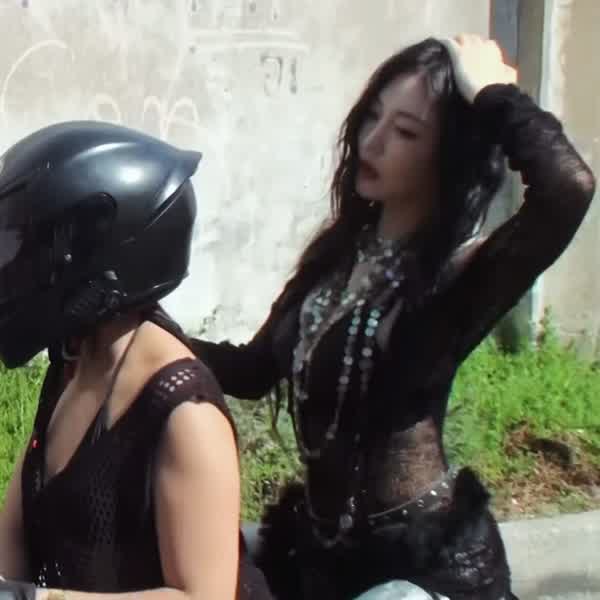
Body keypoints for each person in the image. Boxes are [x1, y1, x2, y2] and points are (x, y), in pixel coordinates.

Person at [191, 34, 596, 600]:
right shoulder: (336, 258)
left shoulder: (455, 277)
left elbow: (567, 188)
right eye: (372, 117)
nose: (373, 141)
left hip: (421, 570)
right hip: (318, 558)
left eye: (405, 132)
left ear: (446, 155)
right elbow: (254, 371)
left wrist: (493, 94)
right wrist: (144, 324)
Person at [0, 122, 272, 600]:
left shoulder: (185, 413)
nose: (10, 267)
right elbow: (12, 544)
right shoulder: (74, 362)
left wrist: (34, 599)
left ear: (97, 259)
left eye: (26, 247)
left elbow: (202, 596)